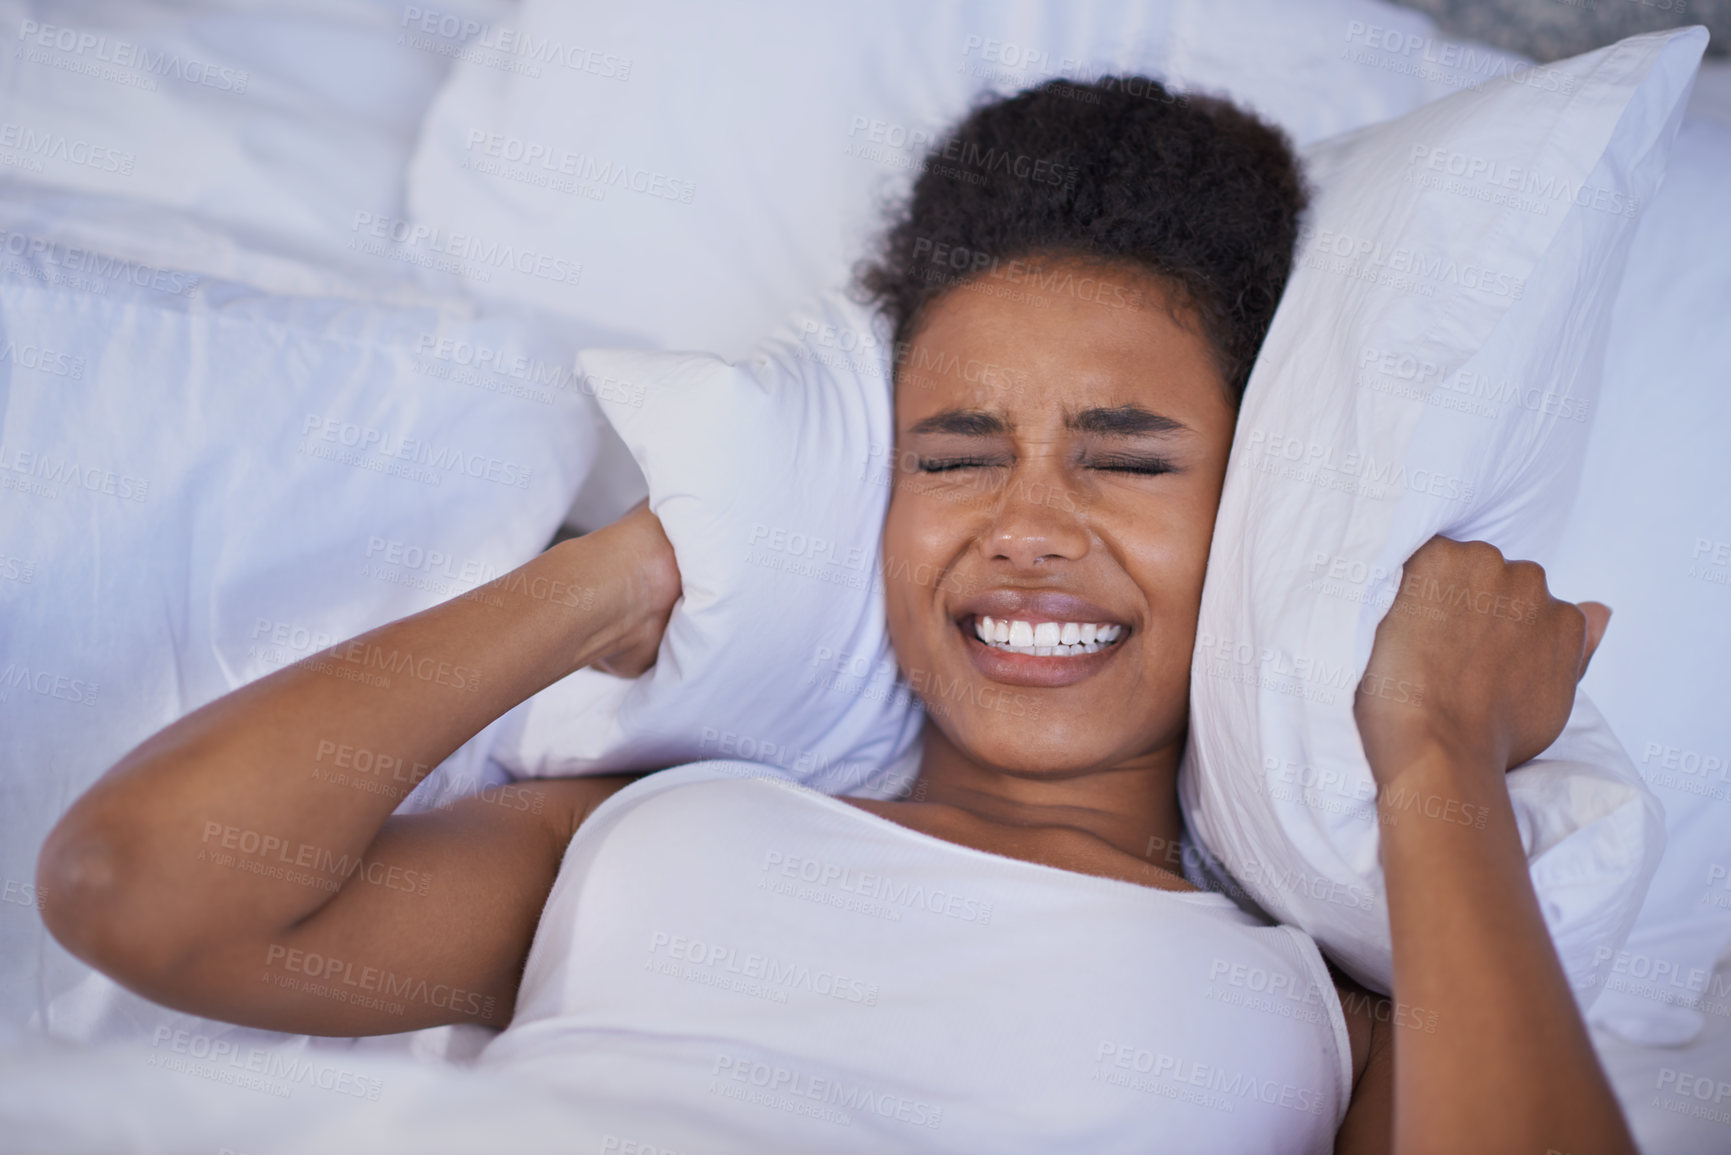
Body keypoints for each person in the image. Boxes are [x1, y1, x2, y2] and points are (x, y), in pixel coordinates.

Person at [36, 78, 1633, 1154]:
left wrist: (1432, 743)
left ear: (1265, 507)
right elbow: (143, 895)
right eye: (955, 454)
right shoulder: (659, 832)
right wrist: (632, 566)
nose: (1027, 532)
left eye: (1128, 458)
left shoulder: (1325, 1023)